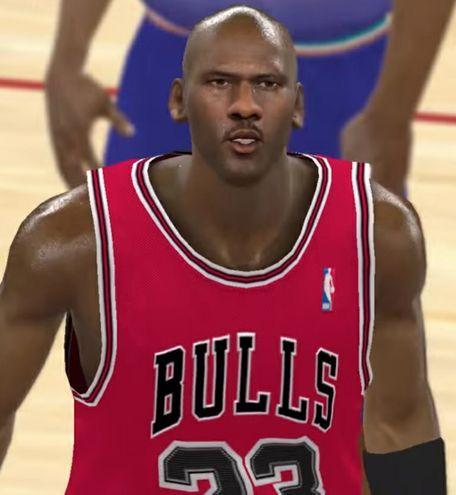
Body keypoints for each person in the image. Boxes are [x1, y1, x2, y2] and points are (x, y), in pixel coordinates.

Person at [1, 6, 446, 493]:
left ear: (298, 106)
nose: (244, 106)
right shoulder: (71, 241)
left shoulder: (378, 234)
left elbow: (400, 425)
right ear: (177, 101)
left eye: (266, 85)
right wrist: (68, 59)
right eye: (220, 83)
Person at [45, 0, 455, 196]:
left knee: (344, 321)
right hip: (166, 65)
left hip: (337, 79)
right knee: (131, 310)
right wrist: (67, 61)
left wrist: (391, 113)